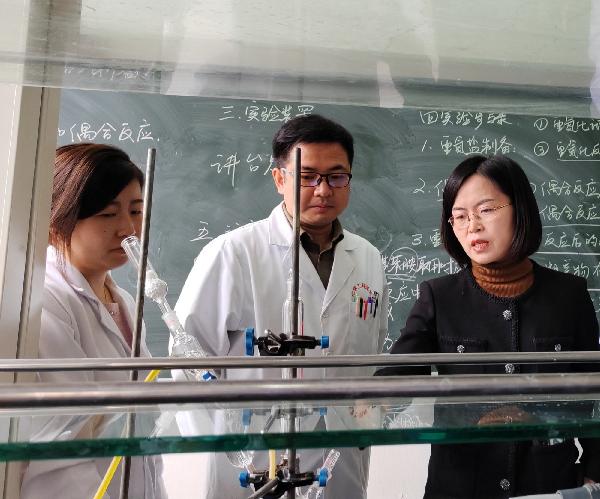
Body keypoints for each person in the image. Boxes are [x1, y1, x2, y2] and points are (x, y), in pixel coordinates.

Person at [175, 114, 389, 498]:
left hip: (341, 458)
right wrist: (221, 445)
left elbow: (372, 354)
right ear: (279, 179)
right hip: (254, 460)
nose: (323, 190)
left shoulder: (368, 257)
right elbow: (187, 361)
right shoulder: (233, 253)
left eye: (336, 177)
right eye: (308, 176)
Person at [377, 154, 600, 499]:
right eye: (460, 216)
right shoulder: (438, 296)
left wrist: (594, 473)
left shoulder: (568, 294)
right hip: (461, 485)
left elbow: (593, 394)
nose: (473, 226)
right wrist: (370, 401)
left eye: (486, 210)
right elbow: (397, 377)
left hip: (549, 483)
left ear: (520, 210)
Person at [20, 143, 166, 499]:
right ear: (58, 220)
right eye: (107, 214)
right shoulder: (47, 300)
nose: (128, 229)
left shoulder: (124, 301)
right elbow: (63, 446)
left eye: (136, 210)